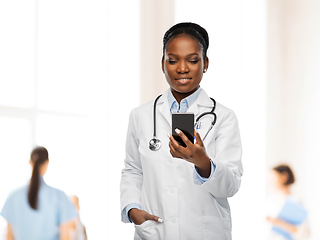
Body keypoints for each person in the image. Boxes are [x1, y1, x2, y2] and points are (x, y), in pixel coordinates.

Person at [120, 22, 243, 240]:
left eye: (193, 60)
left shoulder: (224, 117)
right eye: (173, 60)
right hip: (154, 232)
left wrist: (203, 162)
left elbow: (231, 185)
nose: (182, 68)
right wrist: (132, 209)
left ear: (205, 63)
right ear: (162, 63)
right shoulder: (140, 115)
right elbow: (132, 169)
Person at [0, 146, 77, 240]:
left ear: (30, 162)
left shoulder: (13, 196)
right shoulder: (59, 196)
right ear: (47, 163)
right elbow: (65, 237)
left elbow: (9, 237)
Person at [266, 164, 310, 240]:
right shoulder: (270, 199)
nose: (270, 182)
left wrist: (279, 222)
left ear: (284, 176)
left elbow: (305, 232)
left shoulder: (295, 200)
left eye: (273, 178)